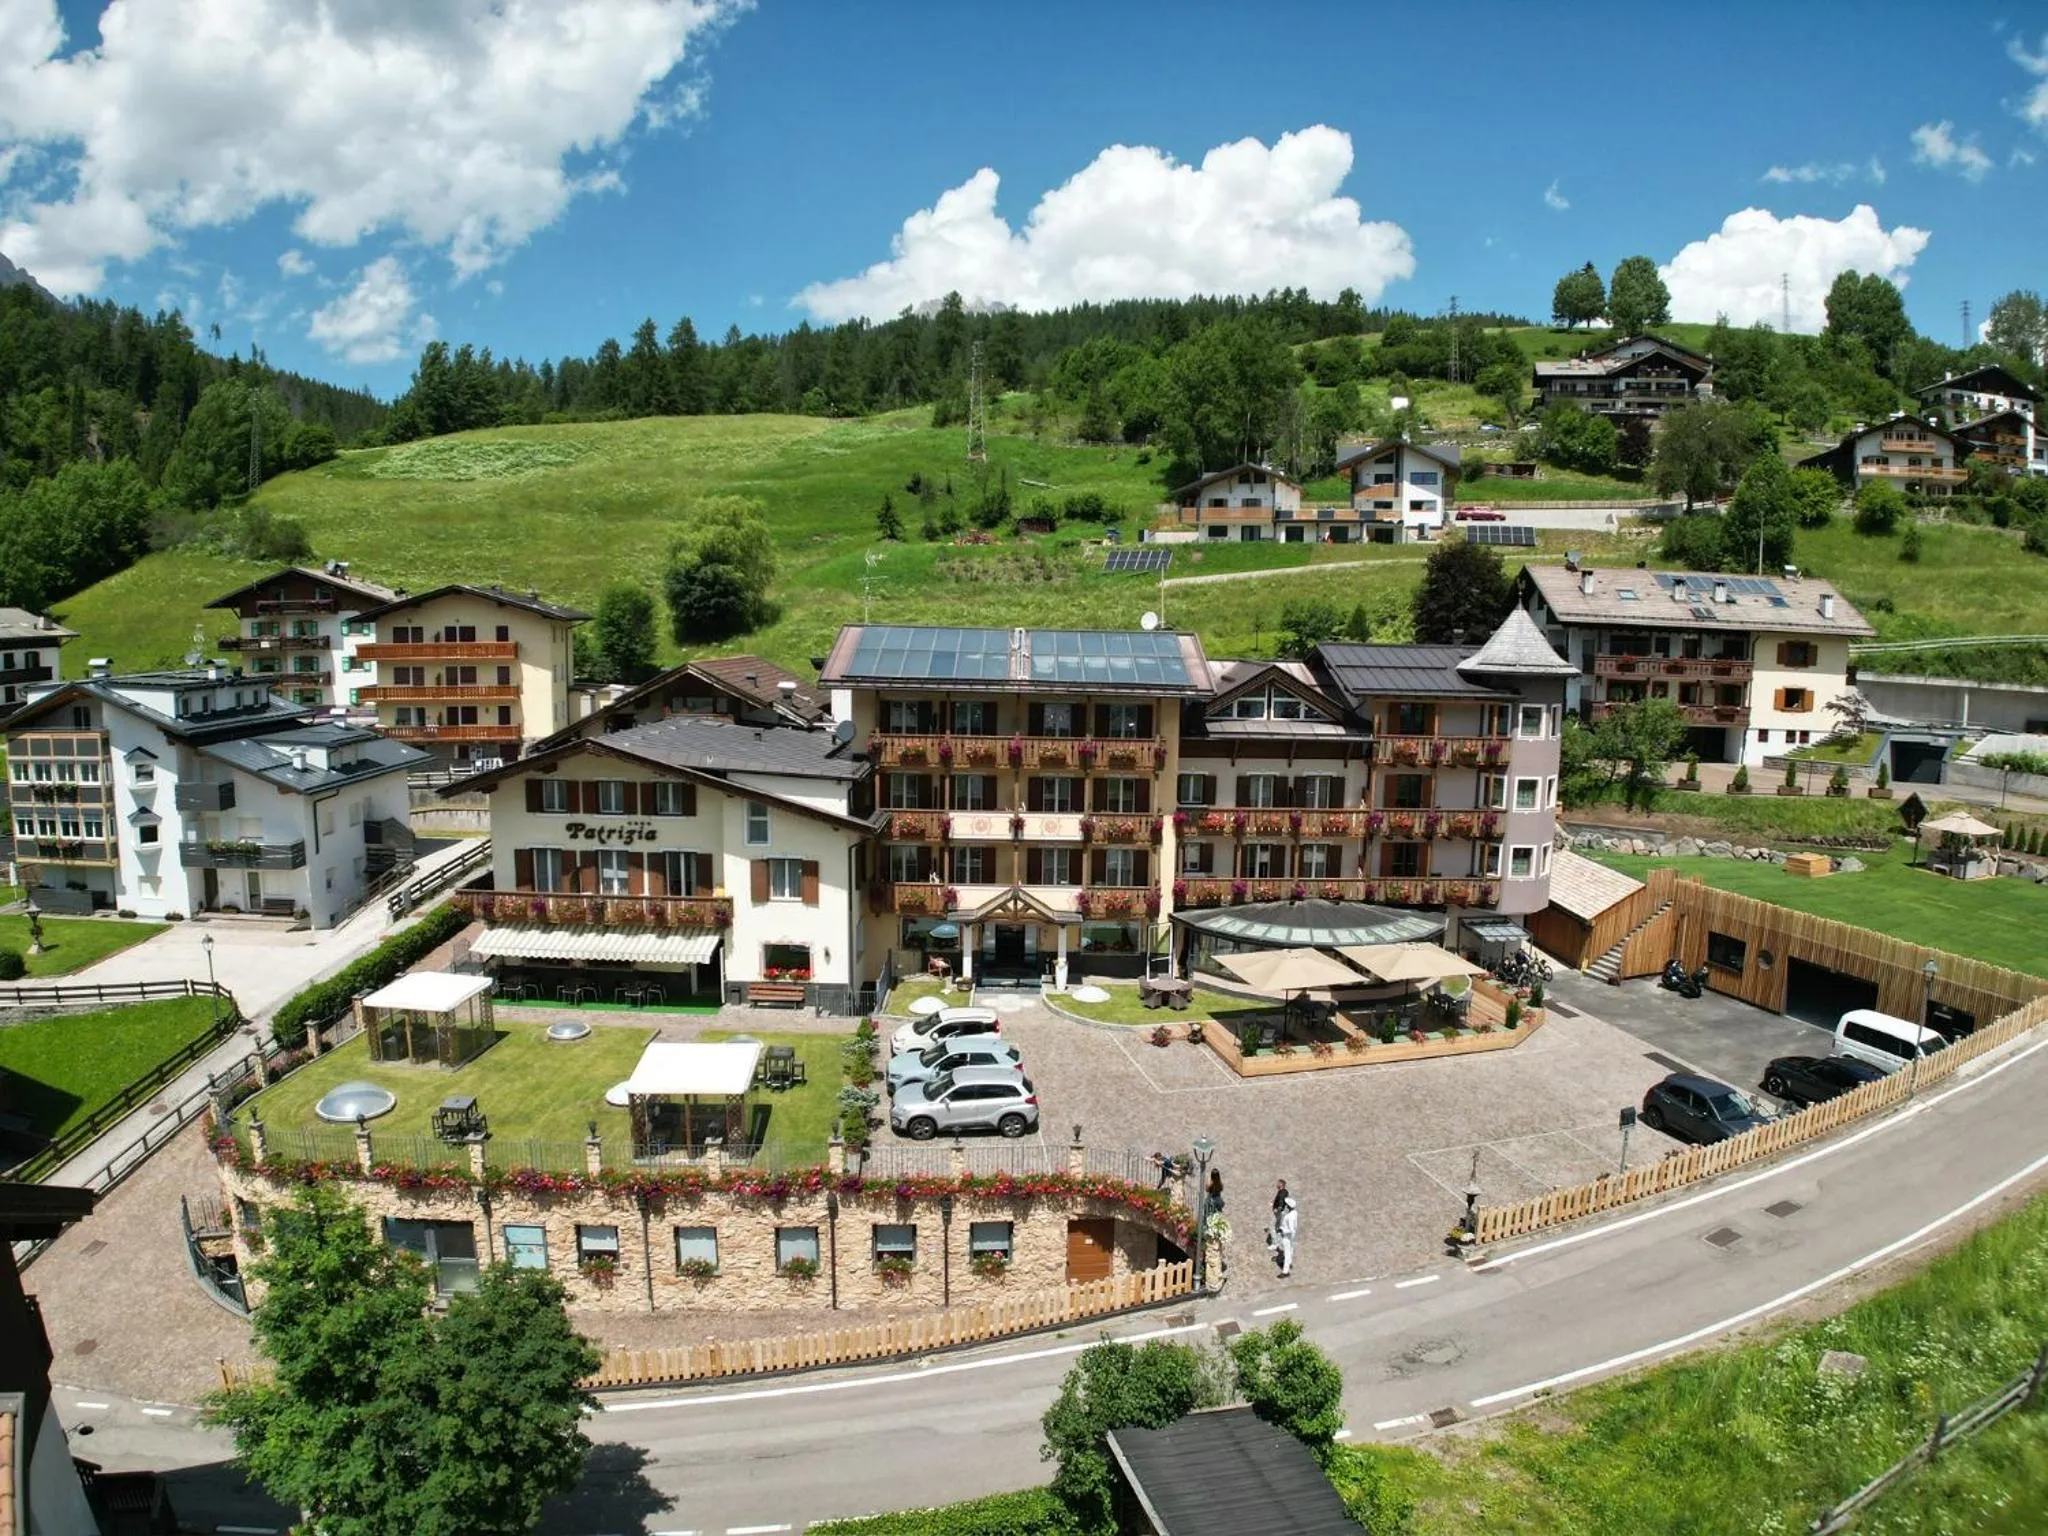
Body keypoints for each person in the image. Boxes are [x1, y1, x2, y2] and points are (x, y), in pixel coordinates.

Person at [1271, 1180, 1298, 1278]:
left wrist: (1282, 1230)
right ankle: (1287, 1261)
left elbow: (1291, 1229)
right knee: (1289, 1250)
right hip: (1292, 1236)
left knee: (1287, 1251)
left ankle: (1285, 1271)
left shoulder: (1289, 1216)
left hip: (1287, 1236)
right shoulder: (1294, 1213)